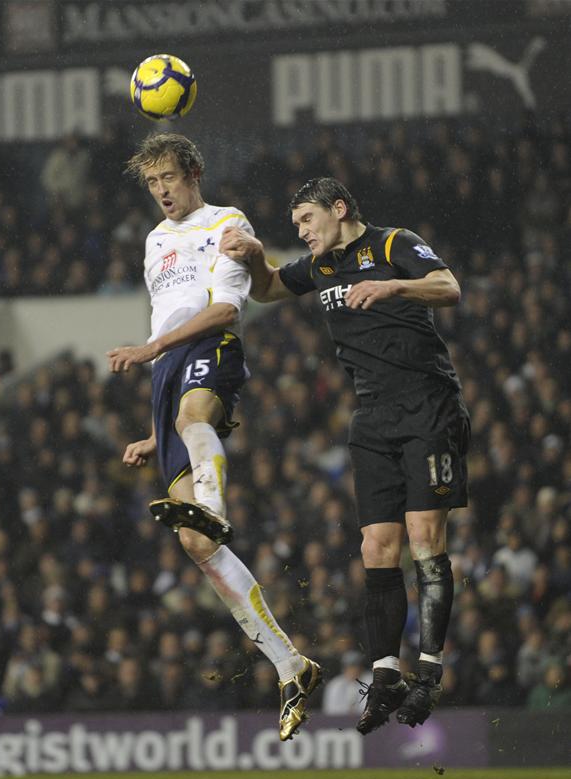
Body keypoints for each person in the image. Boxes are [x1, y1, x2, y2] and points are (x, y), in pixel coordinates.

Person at [220, 176, 470, 732]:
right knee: (376, 545)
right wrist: (257, 254)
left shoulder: (392, 244)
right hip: (372, 416)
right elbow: (265, 289)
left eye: (307, 220)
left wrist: (394, 288)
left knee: (425, 535)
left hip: (427, 405)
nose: (303, 232)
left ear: (339, 208)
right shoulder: (320, 267)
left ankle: (428, 672)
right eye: (295, 227)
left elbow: (449, 286)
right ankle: (385, 675)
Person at [106, 133, 321, 740]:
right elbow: (163, 317)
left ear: (194, 171)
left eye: (169, 178)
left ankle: (215, 509)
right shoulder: (153, 242)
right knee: (195, 548)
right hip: (167, 374)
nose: (162, 191)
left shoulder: (226, 221)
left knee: (195, 420)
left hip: (210, 347)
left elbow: (227, 309)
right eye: (152, 183)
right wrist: (153, 429)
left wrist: (150, 351)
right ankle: (290, 663)